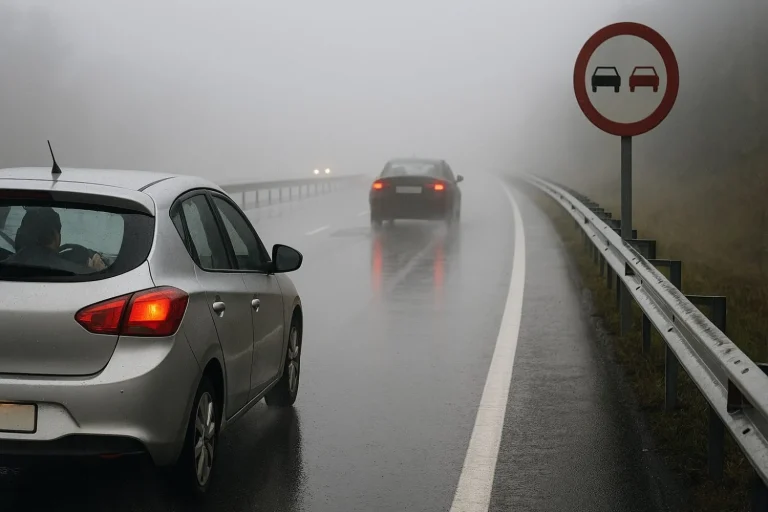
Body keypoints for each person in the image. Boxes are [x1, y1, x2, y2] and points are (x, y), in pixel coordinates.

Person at [6, 207, 106, 272]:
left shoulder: (5, 267)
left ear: (20, 233)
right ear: (55, 236)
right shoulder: (85, 276)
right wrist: (99, 270)